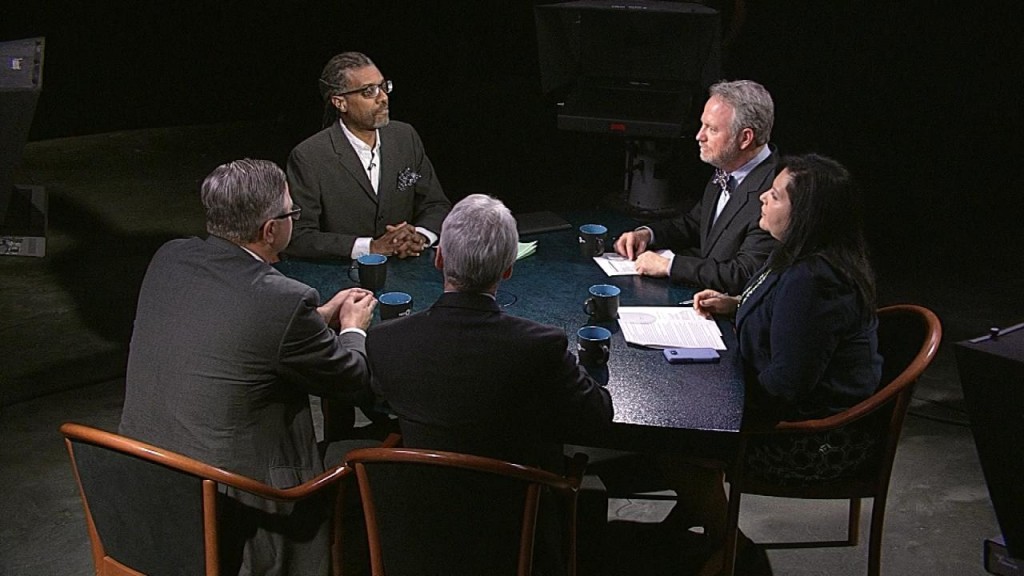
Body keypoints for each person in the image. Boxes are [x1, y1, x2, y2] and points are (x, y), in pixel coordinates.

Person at [118, 158, 378, 576]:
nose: (295, 218)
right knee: (380, 448)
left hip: (145, 479)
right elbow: (352, 378)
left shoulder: (170, 257)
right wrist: (352, 329)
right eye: (292, 212)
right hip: (235, 499)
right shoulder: (282, 299)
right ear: (270, 230)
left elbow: (232, 320)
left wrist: (315, 320)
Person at [366, 193, 613, 575]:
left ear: (439, 259)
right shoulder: (540, 346)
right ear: (508, 269)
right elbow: (597, 416)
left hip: (419, 535)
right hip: (519, 537)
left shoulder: (385, 341)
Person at [684, 153, 883, 575]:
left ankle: (735, 551)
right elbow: (783, 316)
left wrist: (710, 395)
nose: (762, 200)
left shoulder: (813, 279)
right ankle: (713, 533)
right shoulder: (796, 256)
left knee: (680, 443)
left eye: (774, 196)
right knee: (682, 429)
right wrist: (736, 305)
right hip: (794, 411)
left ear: (805, 215)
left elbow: (784, 387)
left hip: (813, 441)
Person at [613, 79, 778, 295]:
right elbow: (694, 224)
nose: (699, 136)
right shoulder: (729, 165)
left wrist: (669, 266)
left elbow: (744, 273)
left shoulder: (775, 194)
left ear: (745, 138)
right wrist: (647, 234)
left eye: (712, 129)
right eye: (702, 125)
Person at [286, 51, 451, 261]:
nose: (383, 98)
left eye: (383, 87)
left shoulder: (405, 137)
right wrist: (370, 247)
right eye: (369, 91)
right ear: (340, 103)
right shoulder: (309, 157)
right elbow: (299, 236)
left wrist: (420, 236)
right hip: (343, 281)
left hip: (408, 273)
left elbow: (436, 205)